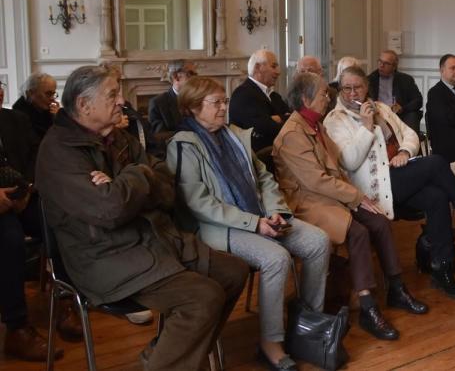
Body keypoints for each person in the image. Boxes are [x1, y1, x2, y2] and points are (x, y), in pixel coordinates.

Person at [35, 66, 249, 371]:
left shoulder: (117, 137)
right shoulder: (58, 152)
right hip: (102, 258)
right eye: (113, 95)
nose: (122, 100)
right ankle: (173, 360)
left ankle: (165, 353)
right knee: (203, 298)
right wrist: (138, 175)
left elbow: (166, 188)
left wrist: (123, 181)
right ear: (84, 105)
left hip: (151, 238)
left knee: (233, 270)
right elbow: (110, 211)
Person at [167, 76, 330, 371]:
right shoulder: (183, 145)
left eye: (224, 101)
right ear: (192, 108)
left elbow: (264, 177)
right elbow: (199, 204)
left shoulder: (233, 135)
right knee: (276, 258)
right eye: (215, 103)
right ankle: (271, 342)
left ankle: (306, 324)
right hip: (218, 229)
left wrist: (278, 210)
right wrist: (255, 223)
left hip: (260, 215)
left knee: (318, 241)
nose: (223, 108)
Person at [324, 66, 455, 299]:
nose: (352, 93)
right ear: (340, 90)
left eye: (357, 87)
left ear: (366, 87)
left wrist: (404, 151)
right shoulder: (335, 120)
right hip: (371, 190)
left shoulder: (381, 108)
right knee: (436, 163)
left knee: (437, 197)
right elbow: (350, 161)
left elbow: (410, 133)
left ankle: (441, 269)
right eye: (347, 88)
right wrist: (365, 126)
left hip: (399, 176)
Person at [273, 72, 427, 342]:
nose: (328, 97)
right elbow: (316, 181)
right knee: (357, 232)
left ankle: (396, 288)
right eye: (323, 94)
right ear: (307, 99)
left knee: (379, 220)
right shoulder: (292, 134)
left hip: (330, 195)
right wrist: (356, 196)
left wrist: (358, 197)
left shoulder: (315, 124)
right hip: (308, 203)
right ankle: (368, 308)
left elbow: (337, 167)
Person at [0, 81, 81, 362]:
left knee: (60, 220)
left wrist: (29, 188)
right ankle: (17, 329)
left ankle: (67, 303)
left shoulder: (16, 120)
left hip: (23, 197)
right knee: (9, 242)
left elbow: (37, 157)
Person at [229, 49, 291, 151]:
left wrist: (277, 118)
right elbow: (263, 128)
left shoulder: (274, 96)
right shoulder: (243, 94)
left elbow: (292, 118)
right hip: (260, 157)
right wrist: (281, 117)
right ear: (258, 67)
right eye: (273, 66)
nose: (278, 72)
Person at [367, 50, 423, 133]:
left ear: (394, 66)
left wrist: (402, 108)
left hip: (398, 115)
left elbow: (418, 100)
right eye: (380, 61)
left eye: (386, 63)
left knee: (412, 115)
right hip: (378, 114)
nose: (381, 65)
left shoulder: (406, 80)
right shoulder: (369, 79)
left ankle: (410, 144)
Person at [148, 60, 197, 136]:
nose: (194, 78)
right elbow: (159, 136)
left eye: (195, 74)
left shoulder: (199, 98)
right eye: (190, 73)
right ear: (176, 77)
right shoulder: (158, 103)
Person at [12, 73, 59, 141]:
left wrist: (58, 118)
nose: (52, 98)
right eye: (48, 94)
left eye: (53, 94)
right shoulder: (19, 115)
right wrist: (58, 121)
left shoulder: (46, 109)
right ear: (30, 93)